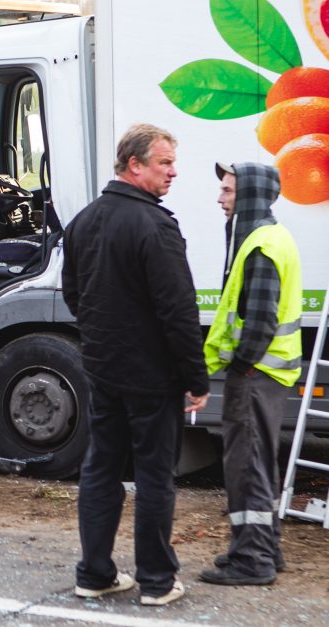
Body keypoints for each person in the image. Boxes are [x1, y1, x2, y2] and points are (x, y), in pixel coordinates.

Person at [61, 123, 209, 607]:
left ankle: (95, 573)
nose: (173, 172)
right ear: (134, 165)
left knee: (101, 468)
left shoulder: (84, 221)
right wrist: (195, 377)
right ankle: (158, 582)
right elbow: (179, 311)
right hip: (151, 378)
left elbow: (74, 296)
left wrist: (104, 341)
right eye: (165, 163)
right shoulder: (155, 226)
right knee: (153, 476)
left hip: (102, 370)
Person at [199, 162, 301, 586]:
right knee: (258, 465)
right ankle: (263, 546)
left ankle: (253, 560)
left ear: (250, 195)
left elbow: (258, 323)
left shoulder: (260, 246)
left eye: (227, 190)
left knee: (247, 467)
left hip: (256, 376)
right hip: (267, 376)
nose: (220, 197)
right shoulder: (270, 238)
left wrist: (238, 366)